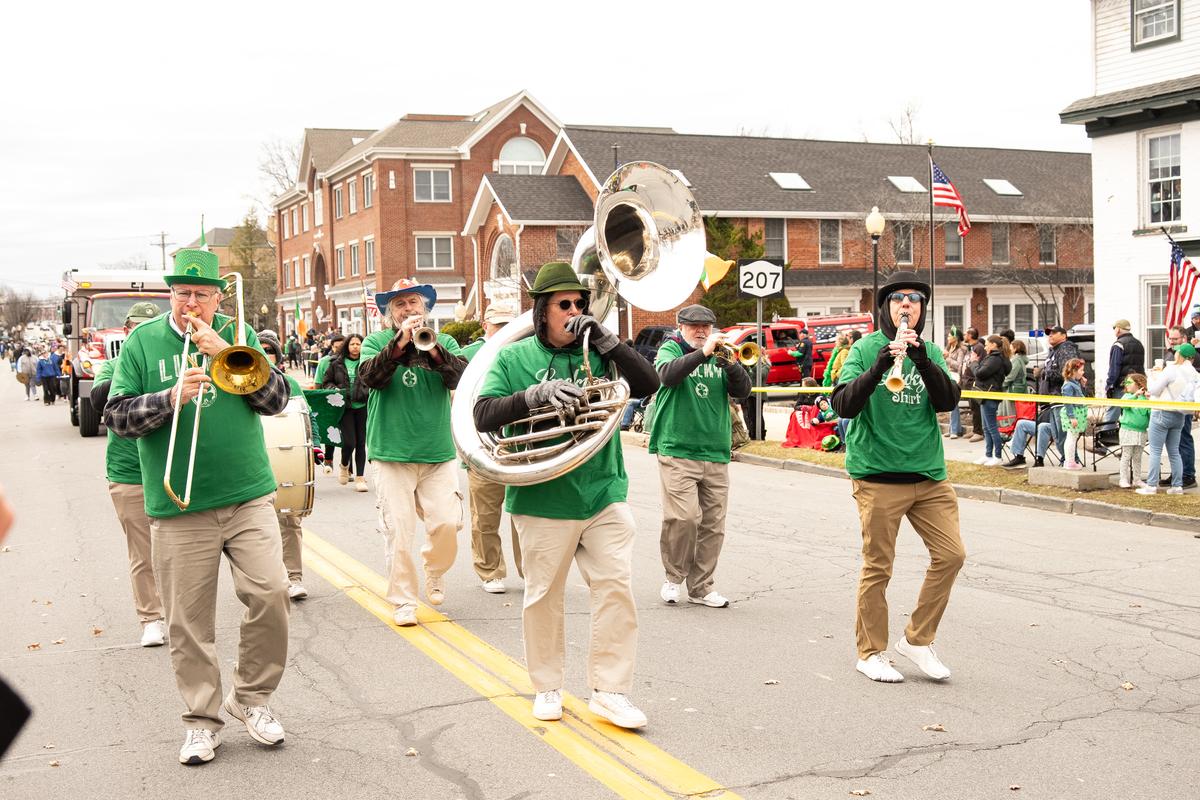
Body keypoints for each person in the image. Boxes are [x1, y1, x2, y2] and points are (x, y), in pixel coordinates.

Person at [103, 249, 291, 765]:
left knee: (271, 593)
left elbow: (276, 402)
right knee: (188, 621)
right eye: (183, 293)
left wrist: (227, 350)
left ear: (217, 297)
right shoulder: (143, 342)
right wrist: (168, 399)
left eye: (202, 295)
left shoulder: (240, 334)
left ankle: (251, 699)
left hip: (248, 493)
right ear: (171, 295)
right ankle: (202, 720)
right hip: (177, 504)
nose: (192, 303)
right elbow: (115, 417)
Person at [474, 261, 660, 728]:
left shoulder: (598, 351)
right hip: (542, 496)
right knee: (543, 596)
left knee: (616, 588)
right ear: (542, 311)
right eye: (564, 304)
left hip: (603, 489)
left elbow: (649, 384)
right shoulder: (513, 358)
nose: (574, 310)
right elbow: (482, 413)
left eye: (579, 303)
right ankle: (548, 686)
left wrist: (607, 340)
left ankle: (611, 691)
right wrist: (533, 397)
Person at [831, 271, 965, 684]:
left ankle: (918, 640)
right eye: (898, 301)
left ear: (922, 311)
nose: (907, 306)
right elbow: (843, 404)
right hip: (877, 474)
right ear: (886, 309)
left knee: (952, 555)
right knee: (879, 566)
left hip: (928, 474)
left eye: (915, 301)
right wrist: (877, 368)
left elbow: (947, 401)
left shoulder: (932, 351)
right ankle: (870, 652)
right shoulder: (865, 347)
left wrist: (922, 361)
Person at [357, 279, 467, 627]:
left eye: (413, 303)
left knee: (448, 523)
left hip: (437, 451)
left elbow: (462, 379)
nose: (408, 310)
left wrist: (432, 350)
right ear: (391, 313)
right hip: (391, 452)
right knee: (399, 532)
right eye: (400, 305)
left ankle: (434, 570)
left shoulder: (444, 341)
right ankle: (403, 599)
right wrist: (401, 342)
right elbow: (369, 380)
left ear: (425, 308)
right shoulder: (376, 342)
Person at [650, 304, 751, 609]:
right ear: (680, 326)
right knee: (683, 518)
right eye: (694, 326)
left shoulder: (721, 355)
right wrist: (703, 353)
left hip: (716, 450)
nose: (701, 331)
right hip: (677, 449)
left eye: (706, 327)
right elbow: (667, 376)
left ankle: (702, 587)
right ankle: (673, 577)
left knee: (712, 525)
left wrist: (731, 365)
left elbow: (743, 390)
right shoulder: (670, 348)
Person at [89, 302, 167, 647]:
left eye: (148, 328)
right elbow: (99, 399)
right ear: (126, 331)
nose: (141, 334)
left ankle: (179, 612)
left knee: (178, 549)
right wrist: (133, 371)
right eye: (136, 328)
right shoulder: (112, 366)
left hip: (170, 469)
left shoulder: (168, 361)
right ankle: (151, 617)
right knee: (142, 551)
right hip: (129, 472)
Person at [461, 302, 523, 593]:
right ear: (485, 326)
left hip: (520, 445)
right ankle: (490, 571)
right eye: (498, 326)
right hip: (484, 446)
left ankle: (530, 569)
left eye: (509, 325)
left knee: (526, 513)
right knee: (485, 515)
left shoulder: (525, 350)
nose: (504, 331)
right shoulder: (469, 355)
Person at [257, 329, 312, 601]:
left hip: (284, 461)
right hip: (254, 462)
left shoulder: (290, 383)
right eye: (261, 350)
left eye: (270, 351)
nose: (266, 356)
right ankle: (268, 579)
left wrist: (314, 455)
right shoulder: (238, 379)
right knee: (258, 526)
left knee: (289, 520)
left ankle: (294, 577)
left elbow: (304, 422)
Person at [1137, 343, 1199, 495]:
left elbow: (1154, 390)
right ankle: (1177, 486)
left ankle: (1151, 485)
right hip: (1180, 415)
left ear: (1180, 355)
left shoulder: (1171, 370)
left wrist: (1152, 375)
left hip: (1161, 412)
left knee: (1156, 450)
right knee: (1174, 452)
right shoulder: (1195, 374)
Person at [320, 333, 368, 491]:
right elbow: (326, 382)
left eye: (358, 344)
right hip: (344, 407)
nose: (355, 347)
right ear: (347, 346)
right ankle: (344, 464)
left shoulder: (367, 362)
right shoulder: (336, 363)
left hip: (362, 406)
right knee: (349, 442)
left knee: (361, 443)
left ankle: (360, 478)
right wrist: (334, 389)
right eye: (352, 344)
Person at [1159, 326, 1197, 490]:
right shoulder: (1170, 354)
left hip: (1184, 403)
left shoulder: (1192, 356)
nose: (1172, 342)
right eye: (1171, 339)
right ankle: (1177, 474)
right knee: (1173, 442)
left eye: (1175, 339)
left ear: (1184, 338)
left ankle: (1188, 474)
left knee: (1184, 438)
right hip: (1170, 404)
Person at [971, 335, 1011, 467]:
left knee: (992, 427)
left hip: (989, 395)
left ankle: (998, 456)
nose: (985, 346)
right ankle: (988, 454)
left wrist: (974, 363)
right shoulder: (993, 358)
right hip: (985, 395)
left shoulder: (995, 359)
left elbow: (980, 373)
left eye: (987, 344)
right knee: (986, 427)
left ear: (994, 345)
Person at [1103, 320, 1145, 429]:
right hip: (1137, 385)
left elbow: (1114, 368)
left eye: (1115, 328)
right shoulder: (1139, 343)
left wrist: (1109, 385)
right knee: (1132, 412)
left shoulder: (1119, 345)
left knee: (1113, 412)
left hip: (1122, 386)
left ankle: (1106, 439)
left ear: (1118, 329)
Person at [313, 332, 345, 474]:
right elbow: (318, 382)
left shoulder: (349, 359)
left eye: (342, 346)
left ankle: (347, 465)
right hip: (329, 400)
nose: (340, 349)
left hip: (345, 401)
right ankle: (329, 458)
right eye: (337, 346)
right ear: (332, 346)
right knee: (331, 429)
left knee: (346, 433)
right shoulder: (326, 361)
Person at [1117, 373, 1150, 489]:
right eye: (1126, 382)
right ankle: (1123, 478)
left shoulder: (1145, 399)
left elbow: (1150, 414)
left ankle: (1137, 479)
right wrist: (1135, 395)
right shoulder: (1127, 396)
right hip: (1128, 430)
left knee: (1137, 457)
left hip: (1141, 432)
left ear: (1138, 384)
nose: (1127, 385)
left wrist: (1150, 400)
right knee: (1126, 455)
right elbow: (1124, 405)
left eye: (1130, 382)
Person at [1059, 358, 1088, 470]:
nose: (1083, 372)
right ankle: (1069, 461)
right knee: (1071, 438)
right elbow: (1068, 402)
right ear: (1073, 372)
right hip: (1074, 414)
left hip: (1077, 412)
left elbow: (1080, 397)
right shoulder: (1068, 386)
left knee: (1073, 437)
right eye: (1081, 370)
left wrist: (1083, 385)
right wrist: (1072, 417)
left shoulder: (1075, 383)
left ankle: (1069, 461)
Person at [943, 327, 969, 439]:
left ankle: (954, 430)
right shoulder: (949, 348)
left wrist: (947, 358)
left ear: (956, 338)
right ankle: (954, 428)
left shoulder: (961, 350)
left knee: (953, 403)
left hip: (956, 377)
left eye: (950, 336)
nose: (948, 337)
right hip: (948, 375)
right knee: (951, 403)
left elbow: (959, 365)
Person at [961, 328, 985, 442]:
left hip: (974, 381)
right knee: (972, 407)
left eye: (966, 333)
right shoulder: (970, 348)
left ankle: (979, 432)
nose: (964, 335)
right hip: (967, 381)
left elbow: (979, 365)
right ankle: (975, 429)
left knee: (976, 407)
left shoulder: (979, 348)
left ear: (970, 335)